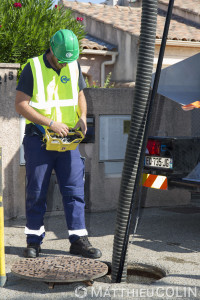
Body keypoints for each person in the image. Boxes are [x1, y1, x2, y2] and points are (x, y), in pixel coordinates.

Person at [15, 29, 102, 259]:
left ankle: (78, 241)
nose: (65, 64)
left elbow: (80, 94)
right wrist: (51, 123)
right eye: (61, 59)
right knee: (36, 192)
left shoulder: (73, 65)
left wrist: (83, 117)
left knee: (74, 191)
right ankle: (33, 242)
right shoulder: (32, 67)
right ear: (52, 49)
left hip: (67, 142)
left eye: (68, 60)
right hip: (39, 139)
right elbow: (21, 104)